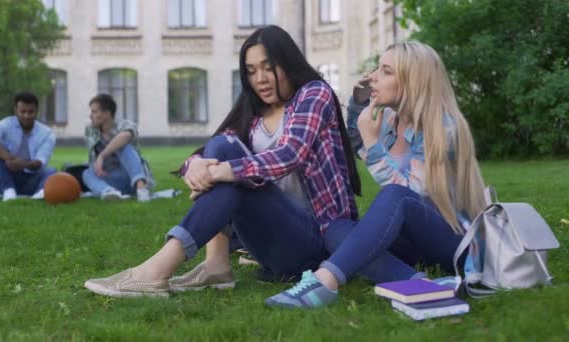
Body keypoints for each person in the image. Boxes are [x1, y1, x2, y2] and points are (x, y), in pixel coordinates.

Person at [83, 25, 361, 298]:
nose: (260, 79)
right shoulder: (255, 108)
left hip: (314, 246)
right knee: (221, 147)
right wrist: (195, 164)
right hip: (272, 244)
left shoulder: (314, 93)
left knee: (231, 171)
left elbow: (291, 153)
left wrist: (222, 171)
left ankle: (159, 269)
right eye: (251, 71)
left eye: (268, 67)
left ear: (287, 62)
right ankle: (215, 264)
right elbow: (216, 146)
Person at [266, 41, 487, 308]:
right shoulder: (393, 120)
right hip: (412, 243)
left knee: (396, 195)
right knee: (336, 229)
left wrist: (373, 145)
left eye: (385, 71)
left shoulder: (442, 127)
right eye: (376, 69)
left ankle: (324, 281)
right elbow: (359, 140)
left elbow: (409, 194)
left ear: (413, 81)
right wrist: (358, 104)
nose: (373, 76)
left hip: (451, 241)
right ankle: (419, 284)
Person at [0, 91, 56, 202]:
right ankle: (9, 191)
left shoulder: (47, 134)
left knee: (52, 171)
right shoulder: (6, 124)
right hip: (3, 178)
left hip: (30, 180)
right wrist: (8, 157)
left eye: (31, 112)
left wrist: (22, 164)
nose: (26, 116)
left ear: (37, 111)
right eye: (23, 112)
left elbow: (40, 162)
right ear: (15, 110)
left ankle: (41, 193)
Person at [82, 94, 154, 202]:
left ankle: (141, 189)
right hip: (110, 178)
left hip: (130, 175)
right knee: (87, 173)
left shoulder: (126, 124)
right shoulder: (90, 130)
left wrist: (102, 156)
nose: (90, 115)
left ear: (107, 114)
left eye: (94, 112)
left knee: (125, 147)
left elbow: (125, 136)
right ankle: (109, 192)